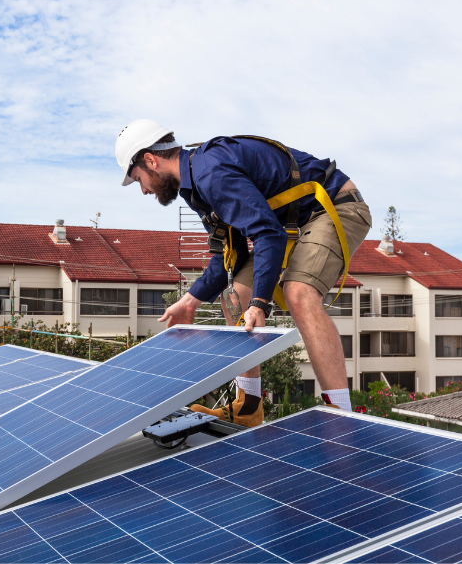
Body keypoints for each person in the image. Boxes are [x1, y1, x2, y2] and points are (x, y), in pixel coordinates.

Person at [116, 119, 371, 426]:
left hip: (334, 206)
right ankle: (248, 408)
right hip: (289, 224)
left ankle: (341, 417)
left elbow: (268, 234)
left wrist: (259, 304)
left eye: (139, 179)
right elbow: (230, 254)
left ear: (150, 160)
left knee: (298, 293)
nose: (143, 190)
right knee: (235, 296)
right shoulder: (194, 186)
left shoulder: (210, 172)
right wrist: (190, 301)